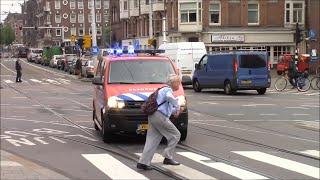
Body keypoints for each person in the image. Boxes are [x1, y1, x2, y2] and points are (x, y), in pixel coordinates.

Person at [137, 74, 184, 170]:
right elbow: (169, 98)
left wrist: (176, 111)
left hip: (153, 115)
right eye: (178, 83)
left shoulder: (162, 90)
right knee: (176, 135)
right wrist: (178, 106)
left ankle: (143, 163)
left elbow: (166, 108)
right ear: (173, 83)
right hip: (159, 116)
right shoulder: (167, 90)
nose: (179, 85)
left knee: (152, 140)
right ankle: (167, 157)